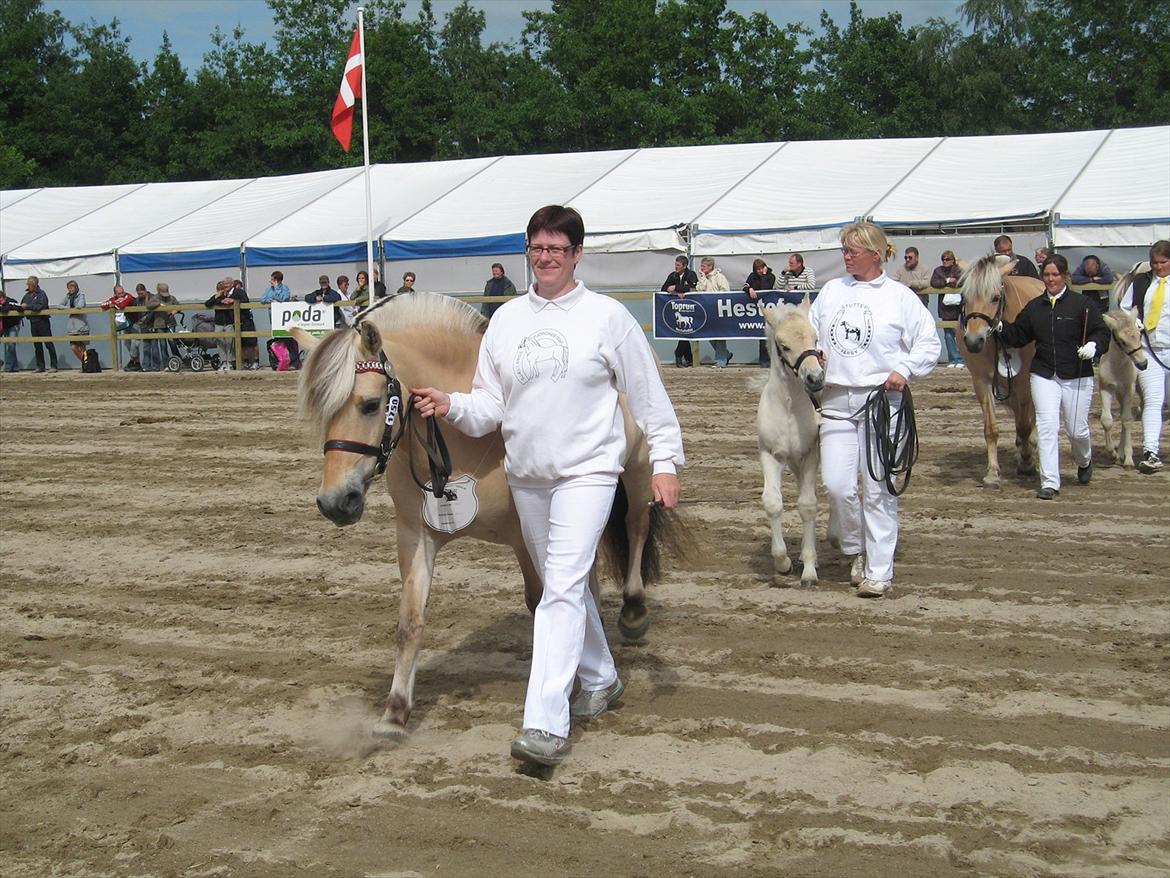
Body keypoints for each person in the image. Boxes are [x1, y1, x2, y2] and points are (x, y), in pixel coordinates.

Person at [410, 205, 684, 768]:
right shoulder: (507, 320)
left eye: (558, 249)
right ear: (528, 252)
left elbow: (651, 398)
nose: (547, 257)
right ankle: (602, 679)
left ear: (578, 254)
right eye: (538, 248)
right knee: (570, 587)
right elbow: (490, 406)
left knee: (556, 591)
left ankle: (545, 724)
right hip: (527, 477)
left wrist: (666, 464)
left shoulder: (608, 318)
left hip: (588, 473)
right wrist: (449, 403)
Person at [809, 222, 940, 598]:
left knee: (879, 488)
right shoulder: (832, 292)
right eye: (844, 250)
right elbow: (812, 332)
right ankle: (856, 549)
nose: (846, 256)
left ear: (877, 253)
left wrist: (904, 369)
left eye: (853, 250)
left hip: (883, 399)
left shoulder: (899, 297)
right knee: (837, 485)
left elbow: (928, 343)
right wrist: (815, 353)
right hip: (836, 399)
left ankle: (879, 571)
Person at [996, 254, 1110, 499]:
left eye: (1055, 275)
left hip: (1077, 375)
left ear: (1065, 276)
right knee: (1047, 428)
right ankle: (1049, 482)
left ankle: (1084, 459)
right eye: (1046, 275)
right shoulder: (1035, 307)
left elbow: (1102, 332)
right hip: (1044, 374)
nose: (1051, 279)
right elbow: (1019, 335)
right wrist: (1000, 327)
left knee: (1076, 430)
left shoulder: (1082, 305)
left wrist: (1094, 345)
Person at [1119, 240, 1170, 474]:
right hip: (1149, 350)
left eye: (1163, 262)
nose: (1159, 267)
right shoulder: (1141, 282)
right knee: (1152, 399)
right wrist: (1133, 321)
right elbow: (1124, 306)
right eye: (1155, 262)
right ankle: (1151, 451)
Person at [662, 256, 699, 367]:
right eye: (675, 264)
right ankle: (688, 358)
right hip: (678, 307)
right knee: (683, 331)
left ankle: (679, 354)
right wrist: (676, 293)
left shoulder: (691, 274)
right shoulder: (673, 275)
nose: (676, 267)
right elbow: (664, 288)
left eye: (678, 265)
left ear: (685, 265)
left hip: (691, 307)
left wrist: (676, 287)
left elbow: (693, 287)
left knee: (687, 331)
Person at [696, 256, 732, 367]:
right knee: (709, 335)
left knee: (719, 335)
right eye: (701, 266)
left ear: (711, 266)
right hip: (706, 310)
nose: (701, 268)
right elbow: (699, 289)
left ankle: (720, 361)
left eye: (704, 266)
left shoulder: (720, 277)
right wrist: (702, 278)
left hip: (718, 309)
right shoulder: (702, 278)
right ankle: (726, 354)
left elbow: (726, 291)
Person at [931, 250, 964, 367]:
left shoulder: (959, 270)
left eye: (948, 259)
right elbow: (934, 282)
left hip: (958, 307)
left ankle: (961, 359)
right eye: (943, 259)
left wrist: (950, 283)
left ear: (953, 260)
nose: (945, 261)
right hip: (944, 308)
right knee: (948, 335)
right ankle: (953, 359)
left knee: (961, 334)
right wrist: (948, 281)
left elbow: (961, 281)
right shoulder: (938, 271)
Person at [100, 284, 143, 371]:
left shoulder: (128, 296)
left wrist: (114, 304)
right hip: (126, 323)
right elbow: (103, 305)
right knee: (127, 343)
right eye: (119, 293)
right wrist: (114, 303)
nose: (122, 294)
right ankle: (136, 364)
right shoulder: (114, 299)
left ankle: (133, 362)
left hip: (136, 322)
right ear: (115, 294)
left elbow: (122, 304)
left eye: (122, 292)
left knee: (135, 344)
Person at [743, 258, 777, 367]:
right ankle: (763, 361)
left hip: (768, 308)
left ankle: (770, 360)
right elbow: (745, 286)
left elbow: (765, 288)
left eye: (761, 268)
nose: (759, 270)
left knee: (769, 336)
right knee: (761, 335)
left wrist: (764, 275)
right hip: (755, 310)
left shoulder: (771, 276)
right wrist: (749, 289)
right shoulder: (752, 276)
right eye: (757, 269)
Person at [21, 276, 58, 373]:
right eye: (27, 284)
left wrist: (28, 306)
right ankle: (40, 366)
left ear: (35, 284)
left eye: (29, 284)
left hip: (43, 321)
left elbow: (41, 305)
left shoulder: (42, 294)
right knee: (37, 345)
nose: (28, 286)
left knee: (48, 343)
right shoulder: (27, 295)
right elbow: (22, 304)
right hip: (33, 322)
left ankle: (54, 365)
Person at [139, 282, 179, 370]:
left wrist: (174, 311)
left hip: (170, 323)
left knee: (172, 341)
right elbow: (149, 305)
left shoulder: (171, 298)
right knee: (163, 345)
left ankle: (178, 359)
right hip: (159, 324)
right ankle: (166, 364)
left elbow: (178, 305)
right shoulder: (155, 298)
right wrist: (159, 305)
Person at [205, 279, 241, 371]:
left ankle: (230, 362)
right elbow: (208, 304)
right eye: (219, 289)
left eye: (223, 288)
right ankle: (223, 361)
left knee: (229, 342)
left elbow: (235, 301)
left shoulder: (230, 296)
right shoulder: (216, 297)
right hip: (218, 323)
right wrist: (217, 297)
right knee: (220, 343)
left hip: (228, 322)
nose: (222, 290)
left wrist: (225, 300)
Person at [62, 280, 90, 368]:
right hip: (72, 326)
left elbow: (80, 305)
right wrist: (68, 308)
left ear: (76, 287)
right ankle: (86, 363)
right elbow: (59, 305)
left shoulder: (81, 295)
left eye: (71, 287)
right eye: (68, 288)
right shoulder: (68, 296)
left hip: (81, 324)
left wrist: (71, 308)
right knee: (74, 347)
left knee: (82, 347)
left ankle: (86, 365)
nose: (70, 289)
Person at [1, 288, 24, 372]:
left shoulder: (11, 301)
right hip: (5, 326)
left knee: (11, 345)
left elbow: (20, 308)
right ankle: (15, 366)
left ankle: (8, 365)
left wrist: (9, 307)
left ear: (4, 297)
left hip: (13, 325)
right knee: (10, 346)